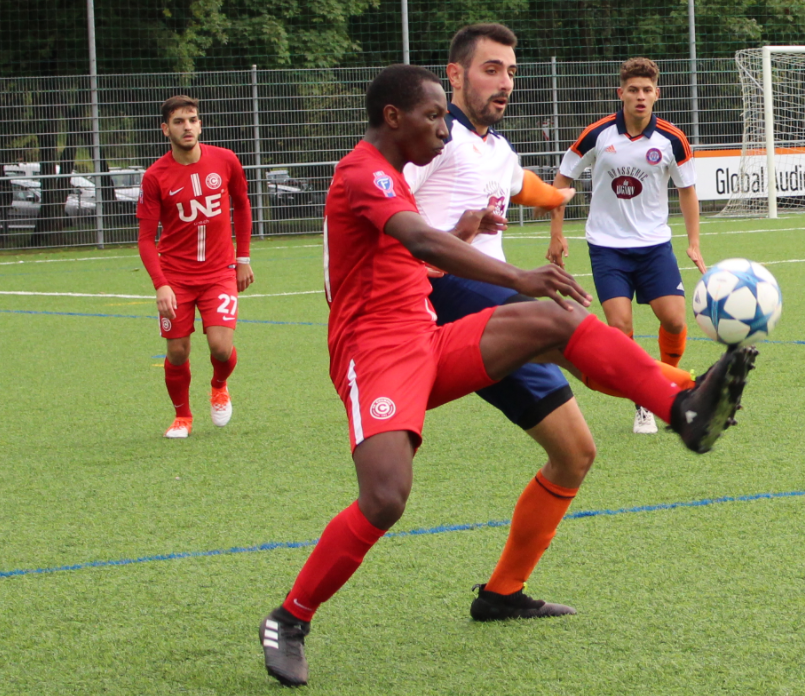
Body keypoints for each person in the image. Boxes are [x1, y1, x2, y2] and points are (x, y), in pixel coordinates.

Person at [258, 63, 757, 688]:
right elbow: (418, 242)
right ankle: (289, 618)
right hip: (376, 356)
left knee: (554, 322)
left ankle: (680, 407)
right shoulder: (363, 170)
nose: (444, 130)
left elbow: (405, 255)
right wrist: (517, 274)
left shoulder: (397, 175)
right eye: (433, 117)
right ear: (393, 117)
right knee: (386, 497)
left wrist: (465, 229)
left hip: (428, 338)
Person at [402, 23, 698, 626]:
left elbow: (527, 187)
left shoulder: (496, 148)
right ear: (455, 74)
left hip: (492, 297)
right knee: (565, 324)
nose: (505, 82)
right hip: (444, 297)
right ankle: (684, 393)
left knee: (575, 452)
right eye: (491, 69)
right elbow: (383, 210)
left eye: (511, 71)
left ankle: (501, 593)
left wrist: (562, 198)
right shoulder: (431, 140)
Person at [551, 57, 705, 435]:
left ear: (657, 94)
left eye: (647, 90)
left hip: (654, 246)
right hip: (607, 247)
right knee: (619, 328)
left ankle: (664, 386)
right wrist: (556, 233)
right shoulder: (598, 135)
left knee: (674, 320)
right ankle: (644, 400)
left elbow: (687, 191)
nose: (640, 96)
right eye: (633, 90)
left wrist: (694, 243)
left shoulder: (672, 139)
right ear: (620, 93)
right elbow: (563, 178)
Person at [136, 95, 254, 439]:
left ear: (200, 125)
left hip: (220, 272)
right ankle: (182, 417)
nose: (187, 127)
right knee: (177, 351)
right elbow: (145, 239)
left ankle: (219, 386)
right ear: (165, 129)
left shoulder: (226, 160)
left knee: (220, 347)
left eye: (192, 120)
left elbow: (242, 206)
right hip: (176, 277)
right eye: (178, 122)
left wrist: (243, 259)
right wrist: (161, 284)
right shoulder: (155, 176)